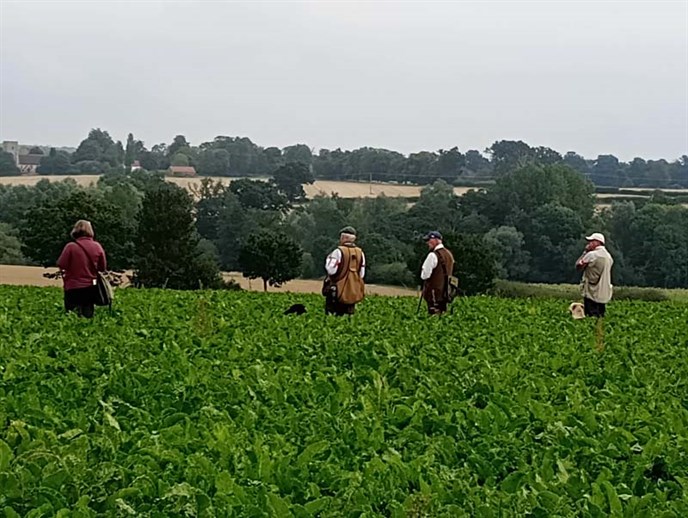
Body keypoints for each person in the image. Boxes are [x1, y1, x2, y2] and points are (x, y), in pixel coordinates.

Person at [57, 220, 107, 318]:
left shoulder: (70, 247)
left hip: (72, 286)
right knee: (87, 313)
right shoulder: (97, 246)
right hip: (90, 286)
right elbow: (102, 267)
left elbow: (61, 264)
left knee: (72, 315)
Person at [324, 226, 366, 316]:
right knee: (349, 316)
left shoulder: (338, 252)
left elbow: (331, 270)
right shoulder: (360, 253)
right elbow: (361, 274)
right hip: (353, 291)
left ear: (343, 238)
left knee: (333, 315)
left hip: (337, 290)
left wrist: (328, 260)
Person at [575, 232, 614, 317]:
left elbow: (578, 266)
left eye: (591, 241)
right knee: (600, 315)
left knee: (591, 314)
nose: (589, 243)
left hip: (591, 290)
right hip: (603, 291)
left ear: (597, 242)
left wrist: (585, 252)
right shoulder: (609, 256)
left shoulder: (592, 255)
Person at [420, 230, 455, 315]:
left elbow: (425, 275)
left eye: (429, 240)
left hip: (434, 294)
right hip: (446, 293)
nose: (428, 243)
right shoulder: (449, 254)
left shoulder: (433, 255)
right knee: (442, 316)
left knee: (433, 318)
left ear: (435, 240)